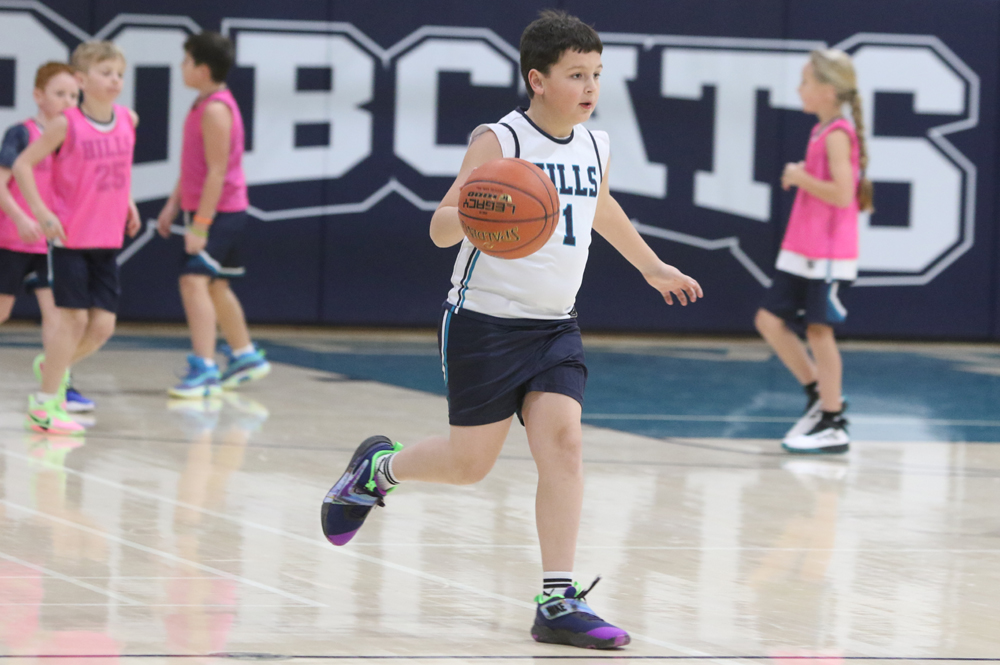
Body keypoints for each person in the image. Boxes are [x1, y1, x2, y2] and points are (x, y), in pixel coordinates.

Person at [320, 10, 702, 650]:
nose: (590, 87)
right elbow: (441, 227)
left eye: (597, 75)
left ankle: (557, 599)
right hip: (484, 324)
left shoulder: (594, 143)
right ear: (537, 78)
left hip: (555, 326)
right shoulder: (501, 142)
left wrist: (651, 265)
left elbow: (599, 205)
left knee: (565, 445)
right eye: (576, 74)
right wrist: (476, 215)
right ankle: (376, 471)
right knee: (469, 465)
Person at [13, 41, 142, 435]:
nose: (115, 80)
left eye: (119, 73)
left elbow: (116, 170)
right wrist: (42, 212)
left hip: (107, 238)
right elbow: (22, 165)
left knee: (102, 327)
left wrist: (129, 202)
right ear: (82, 79)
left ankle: (54, 364)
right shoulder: (65, 124)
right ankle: (45, 404)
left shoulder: (128, 119)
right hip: (70, 239)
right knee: (72, 320)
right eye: (106, 73)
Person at [754, 49, 873, 455]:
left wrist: (801, 176)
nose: (799, 88)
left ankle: (834, 419)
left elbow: (844, 195)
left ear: (826, 89)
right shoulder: (823, 130)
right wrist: (804, 175)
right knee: (769, 320)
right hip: (802, 247)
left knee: (820, 331)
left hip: (826, 253)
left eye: (805, 81)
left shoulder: (838, 133)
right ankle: (819, 395)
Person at [156, 31, 269, 399]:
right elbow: (194, 167)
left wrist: (201, 226)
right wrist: (174, 204)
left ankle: (203, 368)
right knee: (217, 285)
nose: (181, 67)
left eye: (186, 60)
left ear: (202, 70)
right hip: (206, 209)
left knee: (193, 282)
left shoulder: (216, 110)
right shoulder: (201, 104)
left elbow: (217, 172)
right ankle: (245, 356)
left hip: (222, 212)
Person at [0, 63, 97, 413]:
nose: (68, 101)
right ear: (38, 96)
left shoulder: (74, 138)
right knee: (3, 309)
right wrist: (21, 217)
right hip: (11, 238)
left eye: (74, 95)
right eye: (60, 94)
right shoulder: (21, 134)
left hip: (52, 242)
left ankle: (59, 385)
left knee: (58, 318)